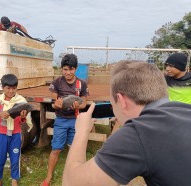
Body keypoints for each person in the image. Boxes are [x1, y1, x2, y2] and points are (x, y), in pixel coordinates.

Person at [63, 60, 191, 186]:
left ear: (121, 100)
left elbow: (71, 183)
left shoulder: (139, 133)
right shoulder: (185, 110)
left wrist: (81, 131)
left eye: (113, 104)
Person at [41, 53, 89, 186]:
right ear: (62, 69)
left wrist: (78, 105)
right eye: (65, 69)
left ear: (76, 69)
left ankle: (76, 176)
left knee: (75, 150)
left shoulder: (82, 84)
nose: (68, 72)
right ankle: (49, 176)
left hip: (76, 120)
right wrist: (55, 104)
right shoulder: (56, 82)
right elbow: (53, 100)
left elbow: (84, 103)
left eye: (71, 69)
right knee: (56, 149)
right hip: (61, 120)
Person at [0, 74, 32, 186]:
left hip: (16, 135)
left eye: (14, 88)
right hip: (1, 135)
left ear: (17, 88)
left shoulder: (21, 101)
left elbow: (23, 121)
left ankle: (14, 180)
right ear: (3, 88)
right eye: (8, 88)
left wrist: (23, 117)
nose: (11, 91)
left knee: (15, 158)